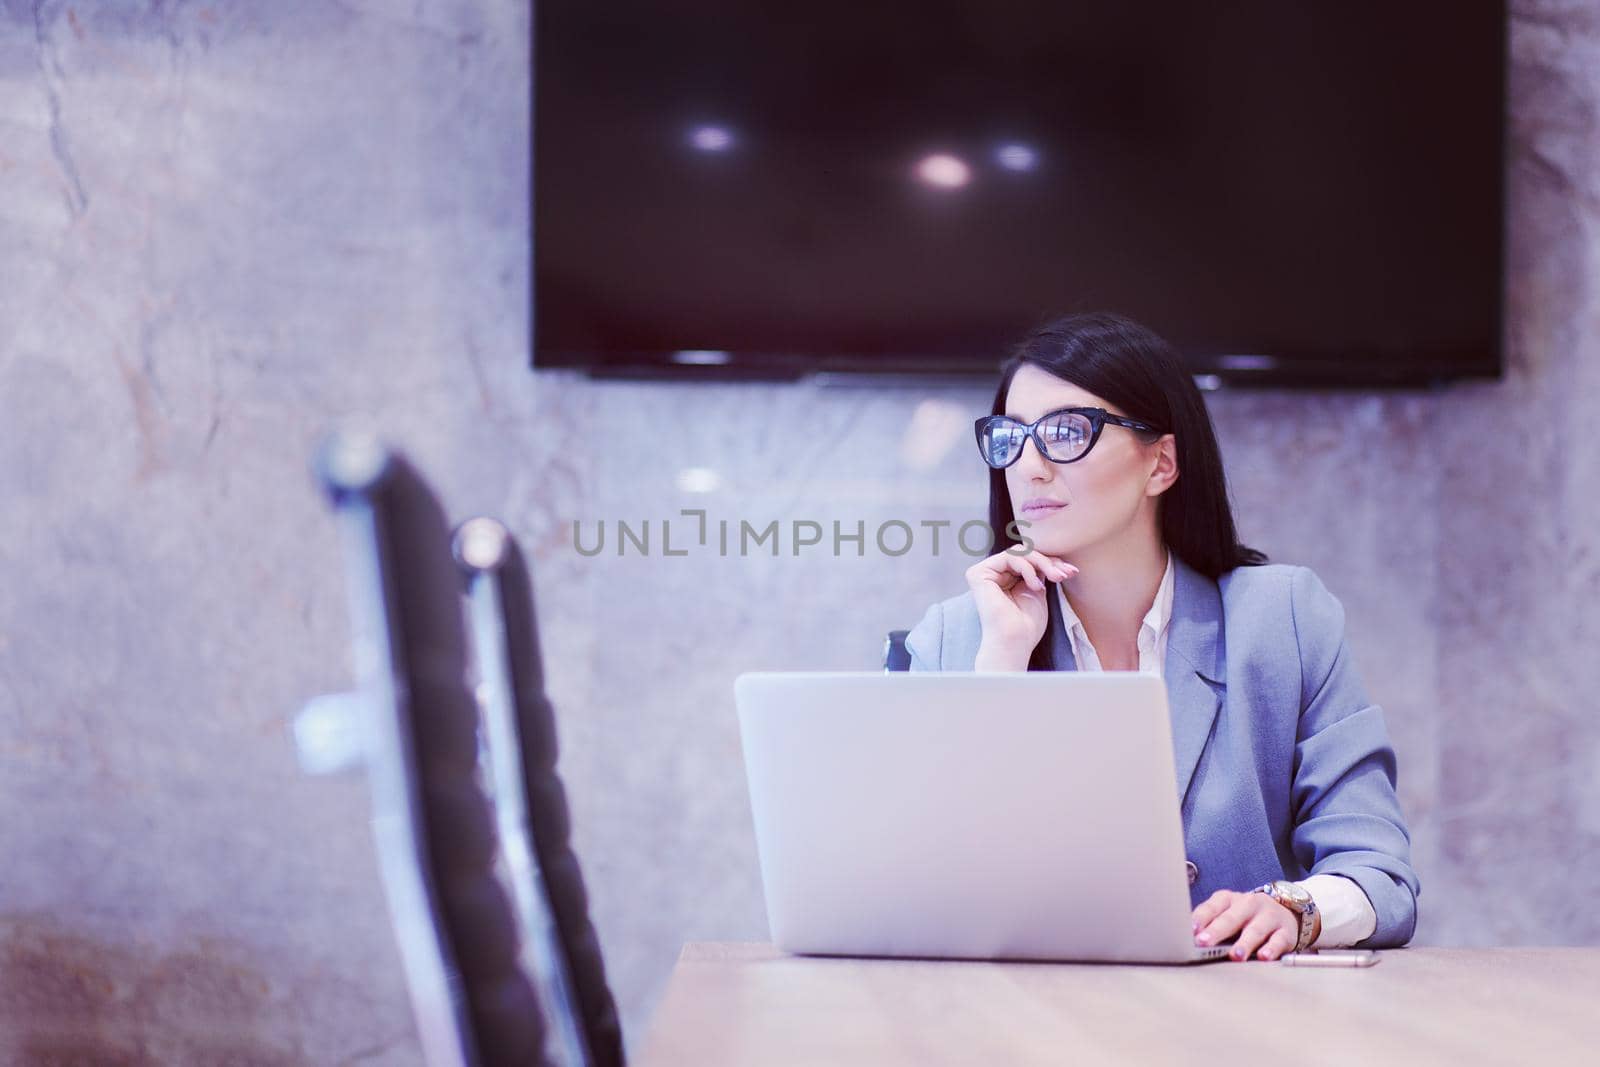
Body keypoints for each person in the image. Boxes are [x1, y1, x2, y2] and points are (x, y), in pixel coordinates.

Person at [904, 312, 1418, 960]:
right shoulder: (956, 640)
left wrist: (1295, 909)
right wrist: (1003, 667)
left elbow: (1382, 875)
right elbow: (924, 892)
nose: (1027, 466)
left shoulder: (1283, 619)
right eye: (1009, 436)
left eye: (1065, 432)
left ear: (1162, 462)